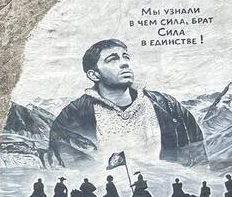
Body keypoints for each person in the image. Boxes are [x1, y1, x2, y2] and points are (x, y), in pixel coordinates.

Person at [48, 39, 206, 167]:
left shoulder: (167, 105)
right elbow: (65, 165)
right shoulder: (72, 115)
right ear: (94, 75)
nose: (124, 63)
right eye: (113, 59)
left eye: (126, 57)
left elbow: (198, 157)